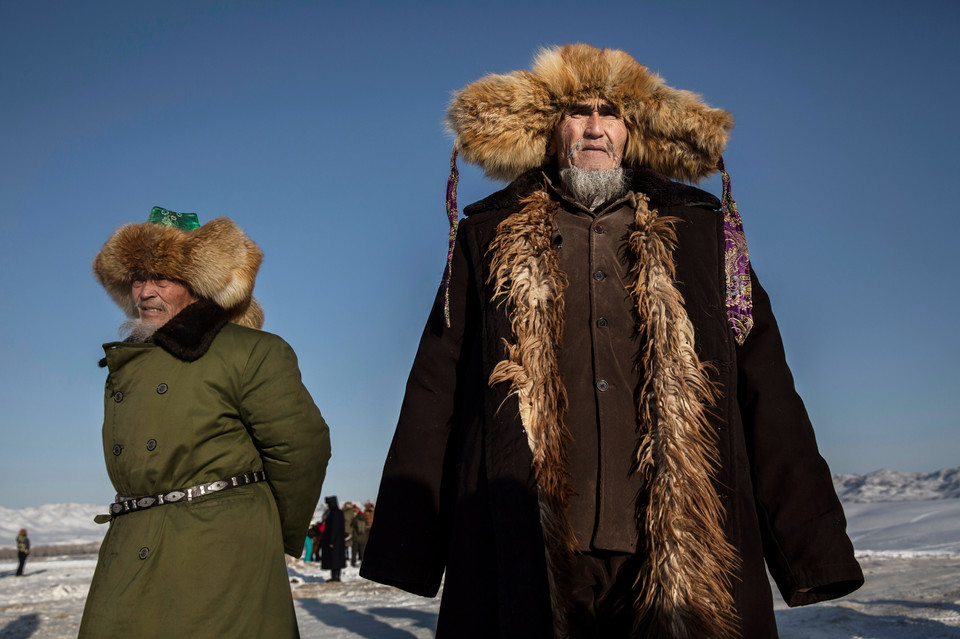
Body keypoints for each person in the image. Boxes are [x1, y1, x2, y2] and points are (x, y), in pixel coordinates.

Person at [360, 44, 863, 639]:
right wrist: (407, 545)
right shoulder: (484, 236)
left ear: (634, 130)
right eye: (577, 111)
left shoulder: (706, 236)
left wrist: (813, 550)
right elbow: (435, 390)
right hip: (525, 538)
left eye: (612, 113)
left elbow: (767, 389)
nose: (595, 127)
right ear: (550, 128)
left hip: (677, 542)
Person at [79, 207, 331, 638]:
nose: (146, 293)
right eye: (138, 279)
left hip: (219, 547)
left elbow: (301, 448)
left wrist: (265, 532)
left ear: (197, 286)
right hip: (131, 542)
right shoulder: (128, 362)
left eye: (162, 279)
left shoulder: (252, 351)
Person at [320, 495, 345, 582]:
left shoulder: (334, 513)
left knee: (334, 559)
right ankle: (336, 576)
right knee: (336, 559)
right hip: (338, 541)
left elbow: (334, 528)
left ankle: (335, 577)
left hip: (334, 541)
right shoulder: (338, 512)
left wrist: (331, 541)